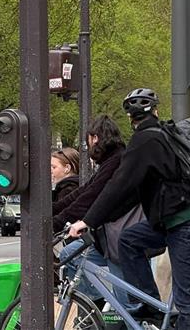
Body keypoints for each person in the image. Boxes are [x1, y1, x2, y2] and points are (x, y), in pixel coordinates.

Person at [69, 88, 190, 329]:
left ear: (130, 119)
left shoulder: (145, 139)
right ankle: (149, 305)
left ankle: (153, 307)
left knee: (188, 302)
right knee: (129, 239)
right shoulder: (159, 135)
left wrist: (88, 221)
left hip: (187, 223)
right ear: (155, 111)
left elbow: (119, 185)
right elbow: (129, 192)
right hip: (172, 221)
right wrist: (97, 218)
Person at [54, 115, 135, 309]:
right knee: (69, 254)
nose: (88, 146)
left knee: (127, 304)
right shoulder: (110, 161)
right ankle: (96, 307)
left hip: (118, 238)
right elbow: (85, 191)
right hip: (107, 237)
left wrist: (58, 220)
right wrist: (52, 211)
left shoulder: (117, 161)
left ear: (96, 138)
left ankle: (119, 315)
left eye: (88, 141)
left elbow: (90, 197)